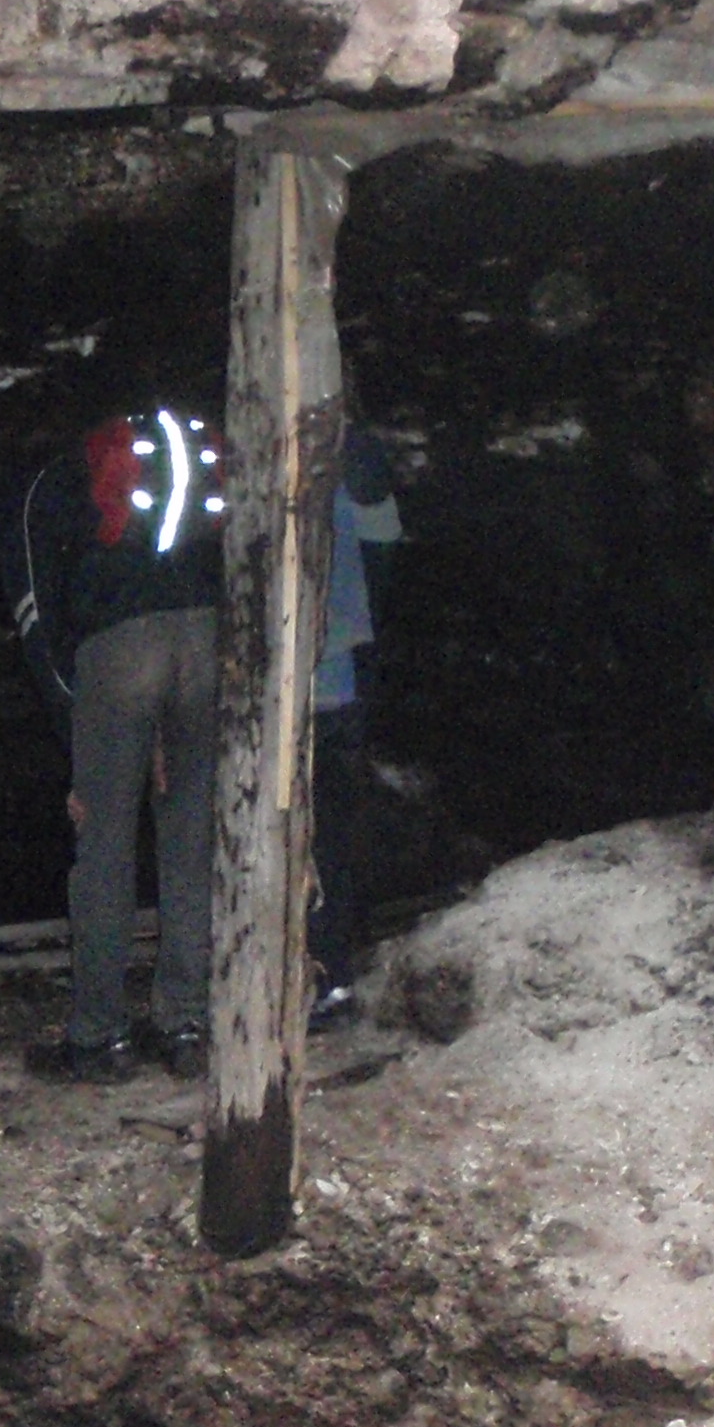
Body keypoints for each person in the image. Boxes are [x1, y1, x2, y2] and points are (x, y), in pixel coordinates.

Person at [0, 405, 227, 1083]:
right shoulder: (153, 454)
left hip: (122, 649)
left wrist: (75, 741)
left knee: (103, 847)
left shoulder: (37, 484)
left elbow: (37, 617)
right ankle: (185, 1022)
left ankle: (100, 1036)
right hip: (204, 635)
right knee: (188, 840)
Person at [310, 424, 402, 1026]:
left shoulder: (286, 457)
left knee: (317, 838)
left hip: (309, 686)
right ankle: (333, 974)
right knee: (332, 838)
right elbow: (384, 549)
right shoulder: (359, 463)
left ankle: (324, 977)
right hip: (341, 675)